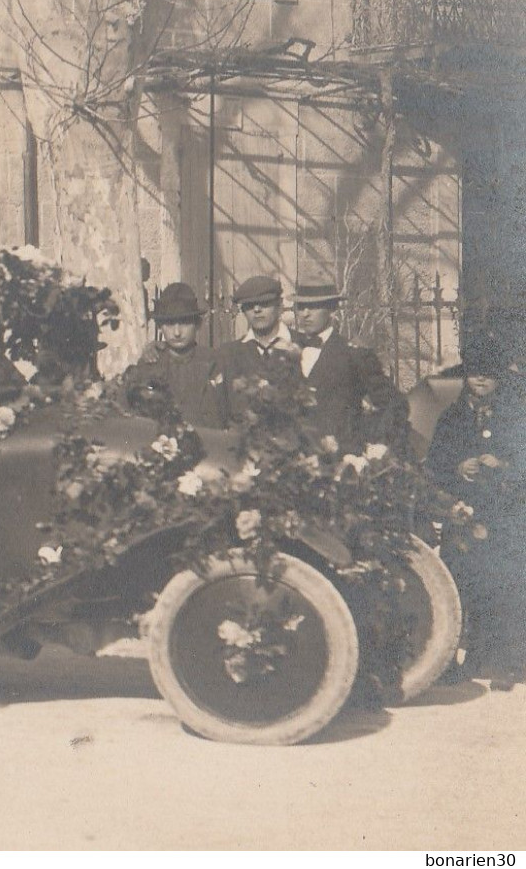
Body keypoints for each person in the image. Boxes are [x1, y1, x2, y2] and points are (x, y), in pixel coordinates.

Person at [426, 330, 525, 683]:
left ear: (499, 377)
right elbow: (434, 467)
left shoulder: (514, 419)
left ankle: (503, 659)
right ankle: (454, 658)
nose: (481, 379)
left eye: (489, 373)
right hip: (463, 515)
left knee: (503, 584)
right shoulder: (451, 419)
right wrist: (459, 468)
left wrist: (504, 467)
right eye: (475, 372)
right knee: (460, 582)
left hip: (504, 518)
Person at [291, 282, 408, 453]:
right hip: (294, 458)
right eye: (301, 307)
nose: (305, 314)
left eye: (314, 307)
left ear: (332, 309)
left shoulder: (354, 354)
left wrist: (379, 444)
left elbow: (394, 403)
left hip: (340, 457)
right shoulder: (287, 353)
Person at [122, 282, 229, 429]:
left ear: (197, 324)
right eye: (170, 324)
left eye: (184, 323)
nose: (177, 332)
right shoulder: (150, 363)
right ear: (160, 326)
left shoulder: (214, 361)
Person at [215, 275, 300, 422]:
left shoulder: (301, 346)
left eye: (264, 303)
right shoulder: (229, 354)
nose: (257, 309)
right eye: (249, 305)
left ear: (279, 305)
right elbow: (223, 413)